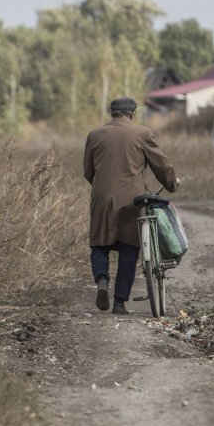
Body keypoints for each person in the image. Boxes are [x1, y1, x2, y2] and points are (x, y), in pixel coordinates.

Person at [83, 96, 178, 314]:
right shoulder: (142, 133)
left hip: (102, 198)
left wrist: (103, 187)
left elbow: (88, 171)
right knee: (129, 248)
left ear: (112, 113)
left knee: (99, 245)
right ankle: (119, 302)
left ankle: (102, 281)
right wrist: (172, 183)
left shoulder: (95, 135)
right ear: (132, 113)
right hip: (132, 200)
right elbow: (161, 165)